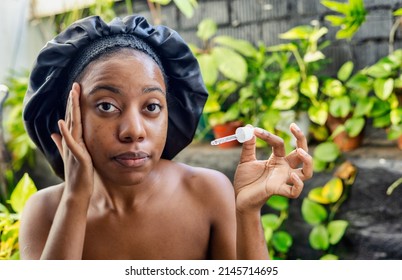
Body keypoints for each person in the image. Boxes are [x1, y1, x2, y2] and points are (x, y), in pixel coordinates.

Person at [19, 15, 313, 260]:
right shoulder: (45, 213)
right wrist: (75, 198)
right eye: (107, 106)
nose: (134, 130)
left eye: (151, 107)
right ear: (70, 117)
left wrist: (247, 213)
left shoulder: (208, 193)